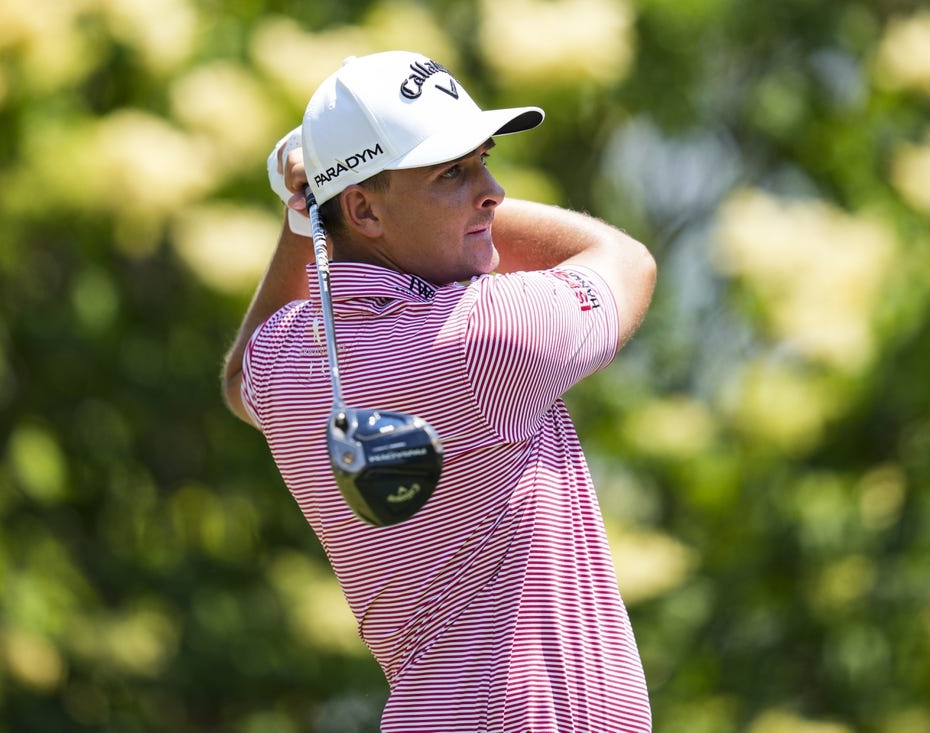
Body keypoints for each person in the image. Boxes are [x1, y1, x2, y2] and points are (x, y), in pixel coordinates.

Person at [222, 50, 657, 732]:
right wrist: (321, 200)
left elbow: (239, 374)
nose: (494, 191)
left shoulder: (287, 358)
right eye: (452, 172)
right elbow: (626, 261)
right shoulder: (486, 335)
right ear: (364, 210)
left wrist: (309, 217)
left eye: (484, 159)